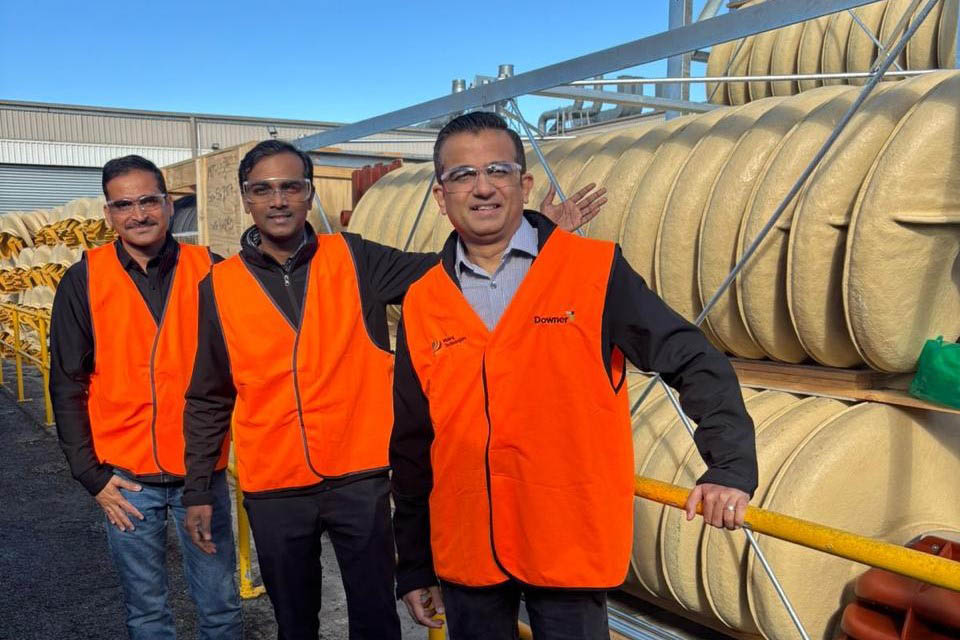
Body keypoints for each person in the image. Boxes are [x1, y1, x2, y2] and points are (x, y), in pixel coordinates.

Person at [181, 139, 605, 640]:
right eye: (264, 190)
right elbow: (208, 397)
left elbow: (449, 269)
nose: (278, 200)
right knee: (294, 623)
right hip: (275, 485)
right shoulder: (219, 285)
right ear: (247, 198)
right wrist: (198, 490)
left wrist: (539, 233)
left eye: (291, 187)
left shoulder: (354, 258)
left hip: (359, 478)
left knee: (376, 618)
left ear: (309, 193)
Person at [389, 111, 759, 640]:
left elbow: (691, 358)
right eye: (462, 175)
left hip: (567, 543)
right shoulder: (425, 299)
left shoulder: (593, 271)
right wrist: (416, 563)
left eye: (498, 169)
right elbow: (411, 440)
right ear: (439, 195)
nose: (483, 187)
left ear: (525, 182)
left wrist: (729, 465)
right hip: (468, 549)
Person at [49, 155, 242, 640]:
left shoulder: (211, 272)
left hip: (202, 475)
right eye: (124, 204)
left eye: (148, 201)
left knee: (220, 609)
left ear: (168, 204)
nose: (139, 214)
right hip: (127, 483)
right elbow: (67, 383)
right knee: (147, 613)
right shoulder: (84, 280)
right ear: (109, 213)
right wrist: (90, 476)